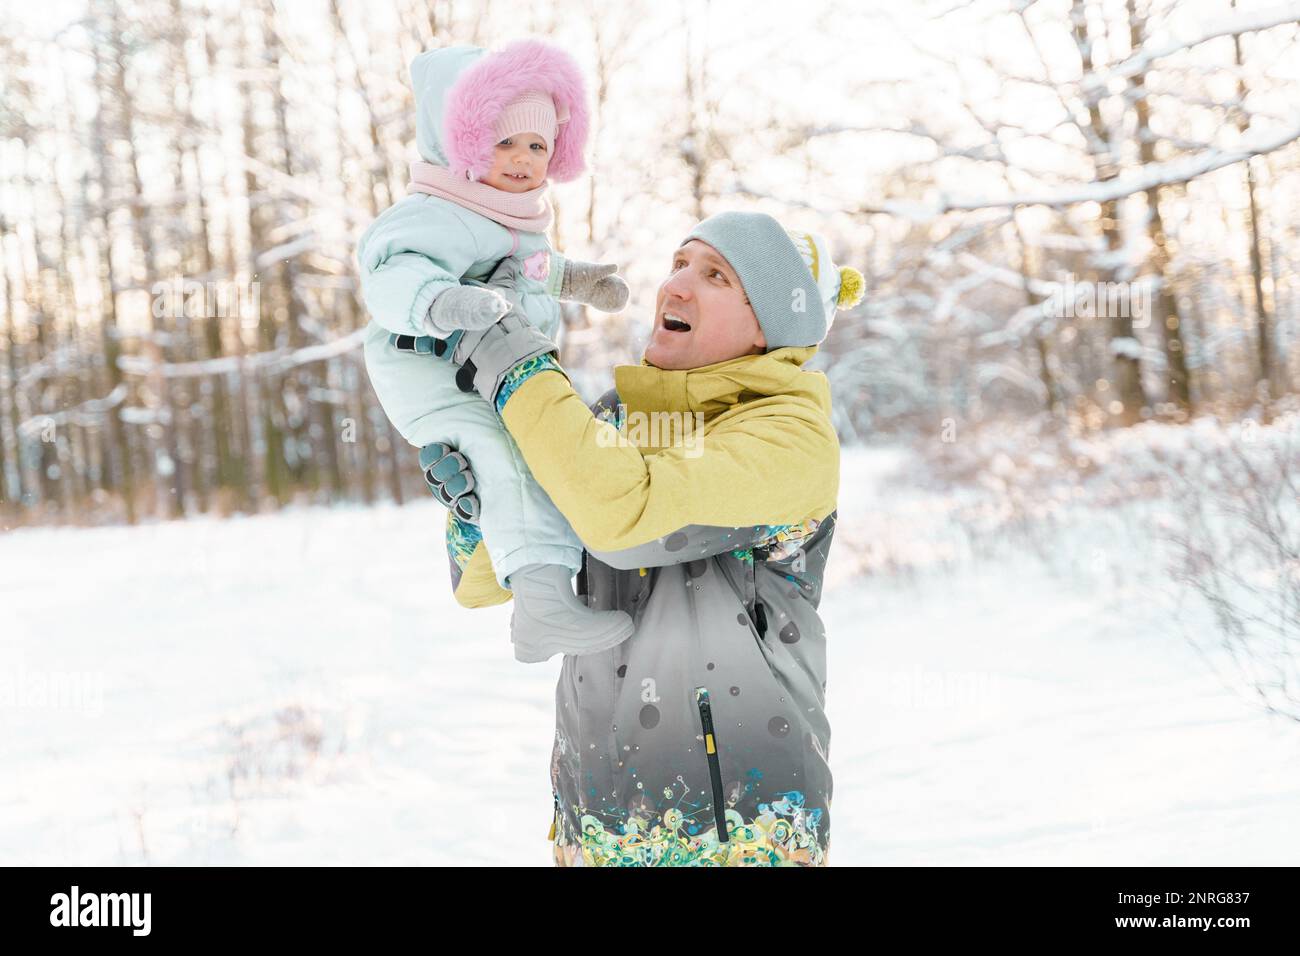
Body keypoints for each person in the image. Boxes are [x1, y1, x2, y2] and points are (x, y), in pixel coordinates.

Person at [427, 210, 863, 866]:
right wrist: (476, 506)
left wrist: (517, 368)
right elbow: (482, 583)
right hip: (596, 831)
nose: (676, 285)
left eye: (715, 275)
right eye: (678, 263)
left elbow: (622, 520)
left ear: (773, 324)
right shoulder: (611, 425)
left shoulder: (790, 438)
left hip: (736, 839)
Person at [355, 39, 636, 664]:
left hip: (483, 366)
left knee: (537, 451)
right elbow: (389, 276)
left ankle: (534, 578)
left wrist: (581, 280)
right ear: (463, 144)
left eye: (537, 145)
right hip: (428, 366)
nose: (522, 159)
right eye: (503, 142)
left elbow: (530, 268)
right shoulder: (433, 213)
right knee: (502, 451)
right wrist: (443, 303)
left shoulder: (507, 217)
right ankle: (541, 609)